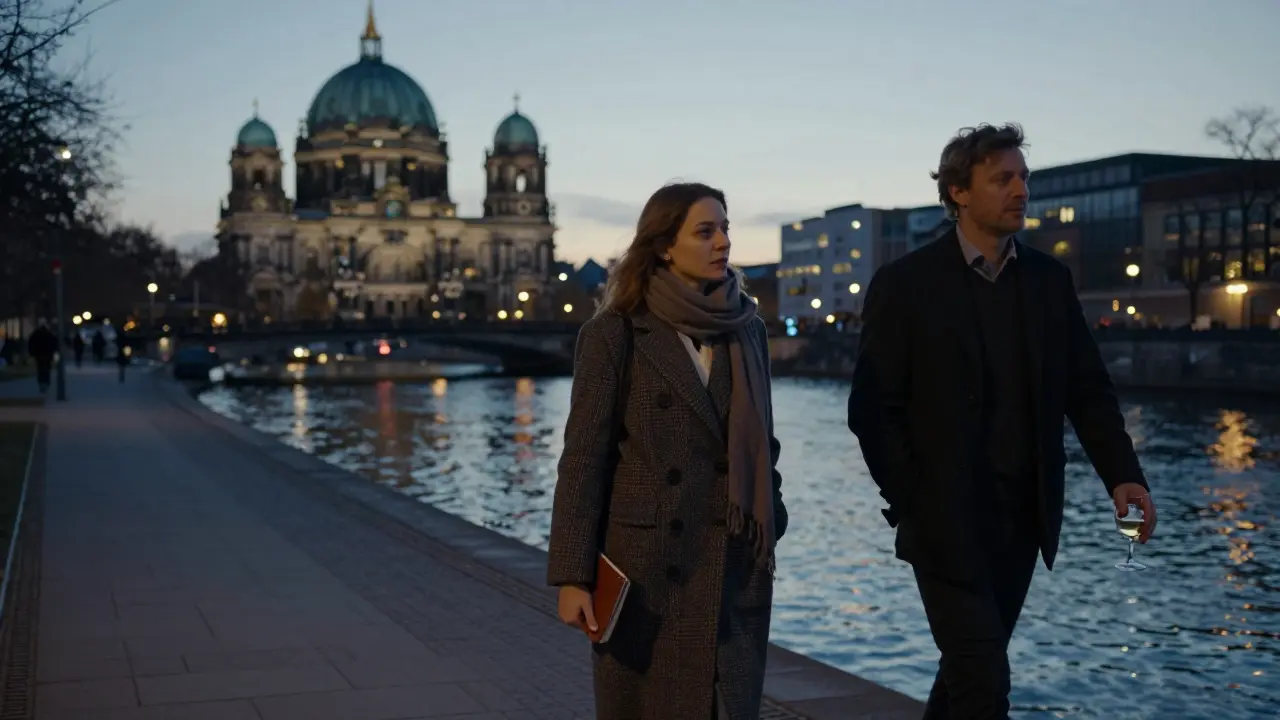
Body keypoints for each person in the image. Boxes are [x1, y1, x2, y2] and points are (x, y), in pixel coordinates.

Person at [848, 123, 1158, 719]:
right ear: (958, 192)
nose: (1021, 190)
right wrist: (915, 499)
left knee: (969, 672)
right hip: (944, 523)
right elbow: (871, 409)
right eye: (1003, 179)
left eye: (1024, 177)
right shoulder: (907, 284)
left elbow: (1087, 390)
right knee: (984, 675)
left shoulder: (1047, 280)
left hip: (1022, 519)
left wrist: (1123, 475)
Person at [547, 182, 788, 720]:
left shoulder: (747, 330)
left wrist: (772, 512)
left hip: (733, 561)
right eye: (706, 231)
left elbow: (763, 445)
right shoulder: (614, 333)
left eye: (725, 228)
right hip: (648, 573)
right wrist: (572, 575)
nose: (723, 241)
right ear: (663, 245)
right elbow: (584, 458)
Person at [26, 321, 57, 393]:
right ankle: (46, 382)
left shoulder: (36, 334)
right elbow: (54, 344)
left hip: (39, 355)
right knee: (47, 369)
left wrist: (32, 353)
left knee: (40, 369)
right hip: (47, 355)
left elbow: (31, 344)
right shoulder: (49, 334)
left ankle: (41, 383)